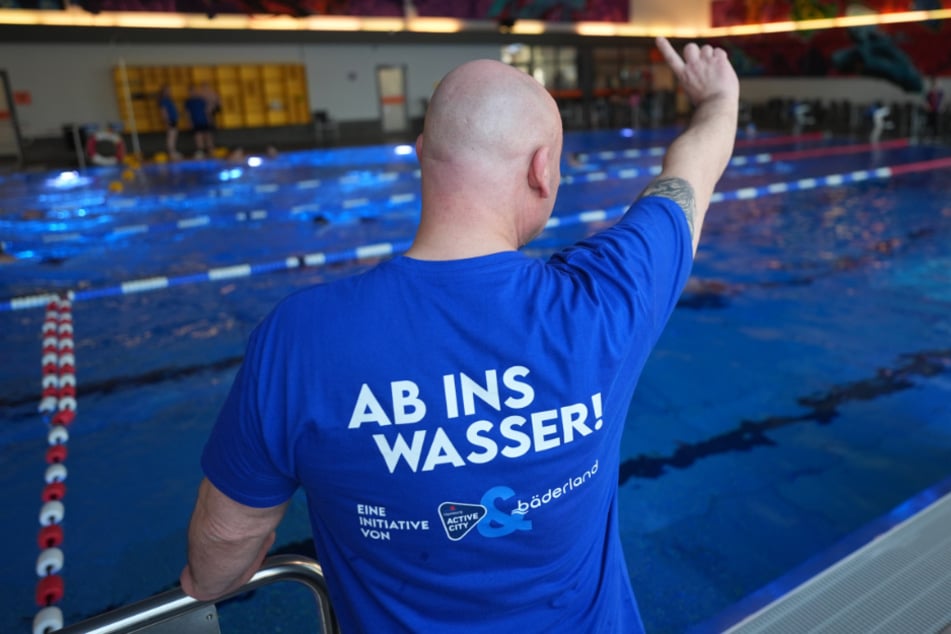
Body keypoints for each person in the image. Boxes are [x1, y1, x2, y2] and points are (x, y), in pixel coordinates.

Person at [179, 36, 738, 633]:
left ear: (422, 153)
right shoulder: (605, 300)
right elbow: (691, 172)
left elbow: (226, 539)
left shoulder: (298, 338)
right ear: (541, 169)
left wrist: (206, 582)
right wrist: (718, 98)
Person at [184, 85, 214, 158]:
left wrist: (209, 119)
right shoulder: (188, 102)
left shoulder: (201, 100)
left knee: (207, 136)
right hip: (195, 121)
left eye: (193, 90)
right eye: (191, 91)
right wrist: (189, 122)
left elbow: (206, 110)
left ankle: (211, 151)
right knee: (198, 137)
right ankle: (201, 151)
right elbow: (187, 113)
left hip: (203, 120)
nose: (192, 92)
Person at [157, 85, 181, 160]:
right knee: (171, 136)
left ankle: (173, 151)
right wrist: (166, 121)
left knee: (173, 135)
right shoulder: (164, 100)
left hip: (174, 120)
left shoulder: (169, 99)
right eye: (167, 90)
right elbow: (164, 111)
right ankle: (171, 152)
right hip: (170, 120)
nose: (169, 92)